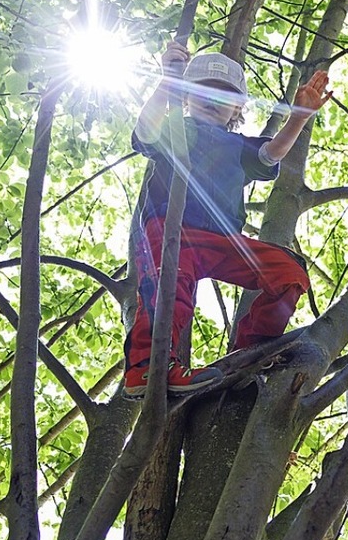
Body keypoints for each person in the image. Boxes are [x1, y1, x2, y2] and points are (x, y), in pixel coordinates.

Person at [123, 41, 331, 398]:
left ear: (237, 108)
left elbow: (269, 155)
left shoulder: (238, 146)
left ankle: (249, 353)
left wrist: (298, 118)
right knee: (167, 291)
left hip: (223, 240)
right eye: (203, 89)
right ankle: (148, 368)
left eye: (225, 96)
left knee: (288, 274)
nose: (213, 100)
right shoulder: (176, 128)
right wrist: (167, 82)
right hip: (171, 232)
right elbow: (145, 131)